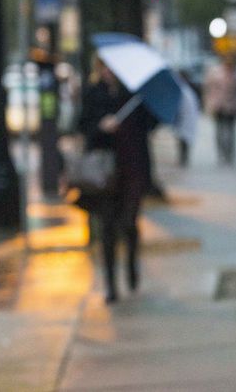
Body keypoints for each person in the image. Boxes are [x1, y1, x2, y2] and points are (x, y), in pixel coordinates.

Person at [76, 57, 153, 304]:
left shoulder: (134, 96)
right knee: (108, 227)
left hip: (132, 168)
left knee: (129, 222)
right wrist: (101, 126)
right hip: (105, 173)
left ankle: (131, 263)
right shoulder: (93, 94)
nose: (109, 72)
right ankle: (111, 284)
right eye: (104, 67)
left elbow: (149, 126)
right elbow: (82, 126)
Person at [203, 56, 236, 165]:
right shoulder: (216, 73)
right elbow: (209, 90)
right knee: (220, 130)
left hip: (232, 107)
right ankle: (221, 152)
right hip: (219, 106)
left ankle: (230, 153)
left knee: (231, 131)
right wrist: (209, 105)